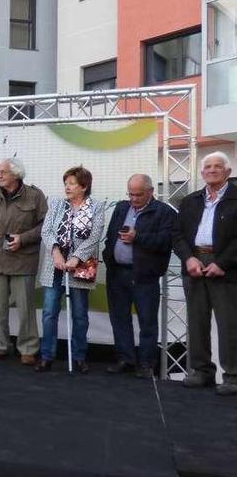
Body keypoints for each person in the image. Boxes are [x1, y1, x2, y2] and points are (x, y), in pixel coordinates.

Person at [173, 151, 237, 396]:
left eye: (217, 166)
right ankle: (201, 371)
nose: (211, 170)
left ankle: (232, 375)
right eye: (207, 167)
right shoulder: (190, 201)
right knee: (197, 321)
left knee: (229, 324)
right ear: (201, 172)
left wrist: (223, 263)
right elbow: (176, 234)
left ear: (227, 172)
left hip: (227, 269)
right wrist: (188, 258)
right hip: (194, 265)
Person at [102, 174, 175, 379]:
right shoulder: (121, 208)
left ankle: (146, 364)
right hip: (117, 273)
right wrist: (109, 257)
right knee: (119, 319)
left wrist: (137, 237)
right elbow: (110, 236)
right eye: (131, 194)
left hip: (144, 275)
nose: (134, 198)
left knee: (147, 321)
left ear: (151, 192)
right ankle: (126, 358)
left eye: (139, 194)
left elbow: (165, 242)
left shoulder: (163, 212)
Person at [0, 158, 47, 365]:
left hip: (23, 260)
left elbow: (46, 226)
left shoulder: (35, 195)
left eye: (2, 172)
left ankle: (28, 349)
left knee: (25, 308)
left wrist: (23, 239)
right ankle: (1, 346)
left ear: (15, 175)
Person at [34, 166, 105, 374]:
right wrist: (56, 252)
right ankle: (47, 356)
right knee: (49, 312)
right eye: (66, 183)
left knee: (80, 314)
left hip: (80, 265)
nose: (67, 187)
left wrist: (76, 258)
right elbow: (46, 231)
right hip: (54, 264)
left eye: (72, 183)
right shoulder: (56, 203)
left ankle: (79, 356)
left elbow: (95, 236)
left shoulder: (96, 206)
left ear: (84, 186)